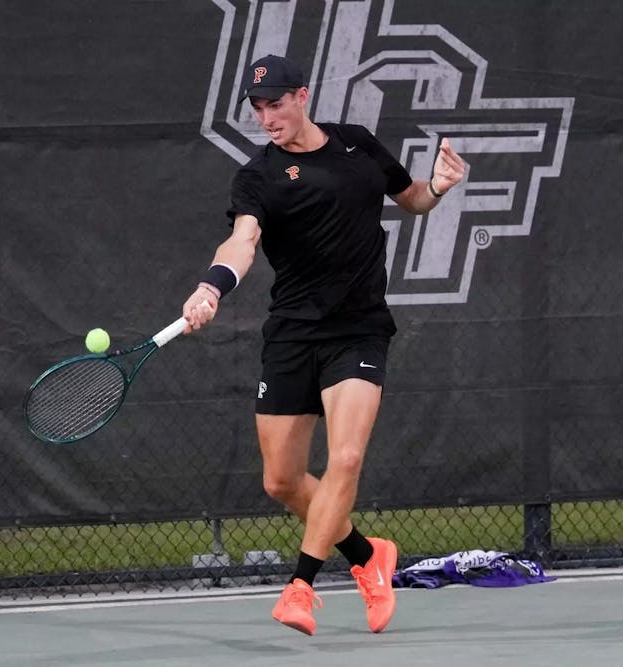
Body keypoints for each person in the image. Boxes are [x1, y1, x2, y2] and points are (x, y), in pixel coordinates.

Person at [181, 54, 465, 635]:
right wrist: (211, 287)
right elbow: (243, 240)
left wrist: (436, 187)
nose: (267, 117)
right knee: (281, 480)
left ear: (302, 96)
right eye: (258, 108)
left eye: (276, 104)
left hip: (358, 330)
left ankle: (301, 586)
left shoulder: (358, 146)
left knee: (346, 458)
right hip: (292, 334)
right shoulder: (257, 175)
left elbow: (409, 198)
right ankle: (367, 555)